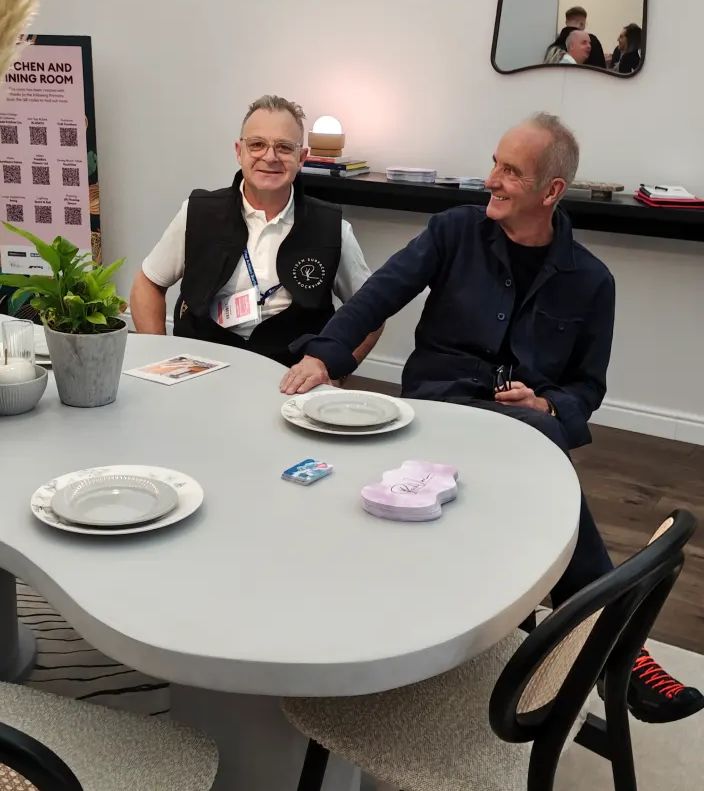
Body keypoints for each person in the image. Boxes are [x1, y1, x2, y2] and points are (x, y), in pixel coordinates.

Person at [281, 113, 703, 725]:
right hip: (440, 404)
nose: (493, 180)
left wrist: (551, 405)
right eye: (496, 164)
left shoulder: (591, 282)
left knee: (534, 438)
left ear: (550, 192)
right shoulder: (453, 232)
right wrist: (324, 355)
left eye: (511, 171)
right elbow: (379, 294)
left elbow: (588, 386)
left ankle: (586, 640)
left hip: (524, 423)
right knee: (537, 463)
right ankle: (618, 646)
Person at [130, 94, 382, 368]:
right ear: (239, 152)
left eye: (284, 147)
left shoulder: (333, 228)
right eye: (257, 144)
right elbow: (148, 283)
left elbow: (371, 313)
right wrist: (161, 358)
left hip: (290, 375)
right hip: (200, 365)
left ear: (302, 158)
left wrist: (333, 372)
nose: (270, 157)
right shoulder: (196, 212)